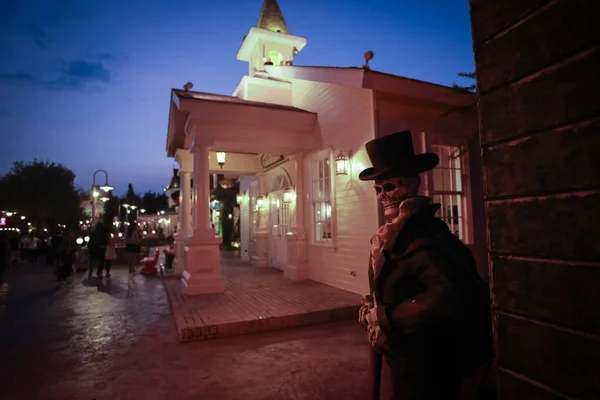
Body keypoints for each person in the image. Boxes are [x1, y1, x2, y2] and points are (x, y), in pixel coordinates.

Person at [357, 131, 494, 400]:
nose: (384, 196)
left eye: (391, 187)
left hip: (427, 357)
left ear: (410, 184)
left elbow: (445, 295)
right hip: (403, 353)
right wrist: (372, 309)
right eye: (378, 189)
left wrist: (385, 316)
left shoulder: (428, 236)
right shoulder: (392, 234)